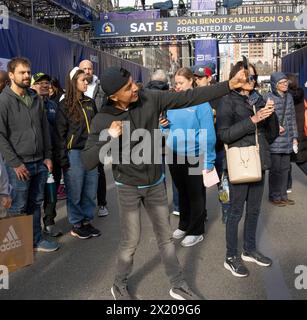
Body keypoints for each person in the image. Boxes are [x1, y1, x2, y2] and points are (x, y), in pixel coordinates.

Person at [81, 66, 247, 299]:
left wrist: (229, 85)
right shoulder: (103, 119)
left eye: (134, 82)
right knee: (131, 242)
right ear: (113, 96)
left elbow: (190, 96)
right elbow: (87, 161)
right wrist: (109, 136)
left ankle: (177, 284)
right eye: (128, 88)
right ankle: (119, 283)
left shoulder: (149, 98)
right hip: (127, 187)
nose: (136, 88)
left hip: (155, 183)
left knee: (165, 238)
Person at [217, 62, 279, 277]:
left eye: (254, 77)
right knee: (235, 212)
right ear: (237, 77)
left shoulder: (258, 99)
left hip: (259, 161)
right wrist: (252, 120)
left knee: (254, 210)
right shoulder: (227, 101)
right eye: (247, 76)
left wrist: (271, 114)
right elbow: (224, 135)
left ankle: (249, 250)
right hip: (239, 163)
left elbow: (270, 134)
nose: (251, 80)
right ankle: (230, 256)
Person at [0, 57, 59, 252]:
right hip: (19, 165)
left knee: (35, 204)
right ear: (11, 75)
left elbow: (44, 129)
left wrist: (48, 156)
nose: (26, 76)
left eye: (28, 72)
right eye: (21, 72)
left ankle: (36, 240)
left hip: (39, 162)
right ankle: (17, 250)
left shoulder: (35, 98)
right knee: (18, 206)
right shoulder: (3, 100)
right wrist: (15, 163)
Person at [161, 67, 215, 247]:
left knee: (196, 194)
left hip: (194, 155)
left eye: (180, 83)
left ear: (191, 81)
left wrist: (209, 160)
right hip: (174, 155)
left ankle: (196, 230)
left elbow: (208, 133)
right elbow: (166, 128)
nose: (177, 86)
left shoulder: (202, 104)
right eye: (175, 83)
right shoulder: (173, 101)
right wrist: (163, 126)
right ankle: (184, 225)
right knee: (181, 192)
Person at [55, 67, 100, 239]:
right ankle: (76, 224)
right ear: (74, 83)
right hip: (73, 154)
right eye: (82, 80)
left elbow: (96, 128)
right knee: (75, 190)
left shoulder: (90, 102)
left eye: (87, 80)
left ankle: (87, 221)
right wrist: (63, 159)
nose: (86, 82)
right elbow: (60, 134)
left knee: (90, 189)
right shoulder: (64, 105)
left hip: (90, 152)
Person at [31, 72, 63, 237]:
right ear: (32, 85)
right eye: (40, 83)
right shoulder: (29, 105)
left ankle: (49, 223)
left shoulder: (53, 105)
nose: (44, 85)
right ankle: (31, 231)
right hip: (34, 158)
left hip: (53, 157)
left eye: (46, 83)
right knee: (35, 196)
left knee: (51, 192)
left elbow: (59, 130)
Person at [146, 69, 180, 217]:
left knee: (159, 175)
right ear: (166, 81)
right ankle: (178, 206)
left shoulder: (144, 95)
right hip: (171, 136)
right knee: (177, 173)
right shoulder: (171, 94)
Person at [79, 60, 108, 217]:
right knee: (82, 174)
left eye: (89, 68)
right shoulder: (75, 86)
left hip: (98, 136)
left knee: (99, 171)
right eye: (84, 69)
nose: (87, 71)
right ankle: (84, 208)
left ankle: (102, 203)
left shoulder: (101, 88)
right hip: (80, 139)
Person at [267, 72, 298, 207]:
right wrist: (275, 126)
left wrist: (295, 137)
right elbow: (265, 118)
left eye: (286, 82)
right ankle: (274, 196)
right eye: (282, 82)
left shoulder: (289, 98)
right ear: (275, 85)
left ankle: (283, 195)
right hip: (274, 139)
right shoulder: (268, 98)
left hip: (287, 139)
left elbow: (292, 119)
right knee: (275, 170)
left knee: (286, 168)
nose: (285, 84)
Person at [286, 73, 307, 186]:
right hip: (300, 133)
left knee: (290, 161)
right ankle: (286, 186)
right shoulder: (300, 94)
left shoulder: (290, 96)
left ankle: (287, 186)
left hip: (294, 133)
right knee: (299, 161)